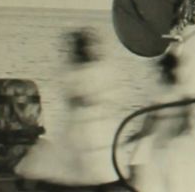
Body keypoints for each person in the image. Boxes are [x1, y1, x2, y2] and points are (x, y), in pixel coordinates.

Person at [15, 29, 120, 187]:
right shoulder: (96, 71)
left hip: (88, 124)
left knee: (77, 161)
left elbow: (78, 98)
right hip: (88, 123)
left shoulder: (82, 72)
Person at [127, 52, 195, 192]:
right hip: (174, 149)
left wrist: (134, 137)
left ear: (162, 71)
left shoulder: (161, 94)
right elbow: (187, 124)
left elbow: (149, 127)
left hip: (169, 151)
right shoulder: (182, 92)